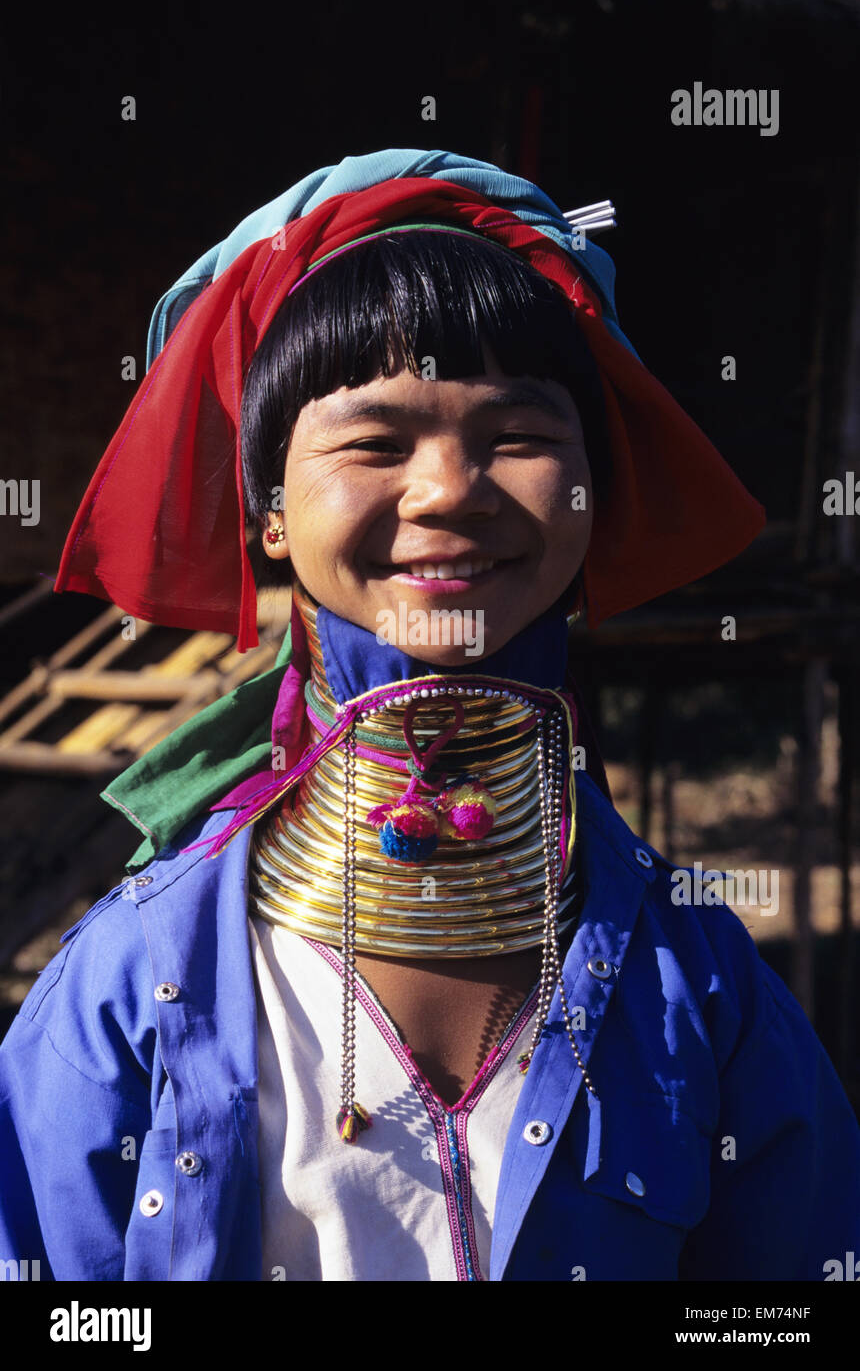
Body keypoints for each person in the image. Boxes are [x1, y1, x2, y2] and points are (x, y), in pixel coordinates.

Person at [1, 150, 857, 1282]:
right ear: (267, 511)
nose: (449, 489)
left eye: (517, 435)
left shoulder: (694, 980)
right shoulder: (133, 984)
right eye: (373, 441)